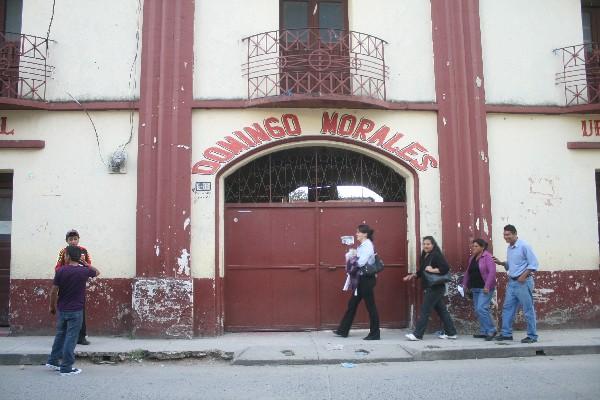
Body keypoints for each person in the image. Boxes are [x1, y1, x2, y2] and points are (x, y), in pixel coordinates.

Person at [46, 245, 100, 375]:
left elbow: (53, 291)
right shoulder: (84, 271)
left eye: (65, 255)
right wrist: (86, 264)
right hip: (76, 310)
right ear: (78, 258)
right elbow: (97, 272)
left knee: (60, 335)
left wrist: (52, 306)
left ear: (68, 256)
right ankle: (66, 367)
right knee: (71, 338)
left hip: (62, 309)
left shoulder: (61, 271)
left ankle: (53, 361)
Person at [403, 236, 457, 341]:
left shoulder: (436, 255)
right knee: (442, 311)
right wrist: (413, 275)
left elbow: (445, 268)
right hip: (431, 286)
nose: (425, 246)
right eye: (424, 244)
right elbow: (423, 270)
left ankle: (417, 335)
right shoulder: (425, 255)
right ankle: (451, 333)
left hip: (436, 287)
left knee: (425, 310)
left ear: (433, 245)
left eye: (428, 244)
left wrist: (432, 270)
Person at [492, 224, 539, 343]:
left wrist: (523, 276)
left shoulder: (524, 246)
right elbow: (513, 265)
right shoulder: (510, 247)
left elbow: (533, 264)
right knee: (507, 308)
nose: (505, 237)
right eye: (504, 235)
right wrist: (502, 263)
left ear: (515, 234)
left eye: (508, 234)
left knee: (528, 309)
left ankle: (532, 336)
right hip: (512, 282)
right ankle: (506, 334)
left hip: (523, 282)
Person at [334, 224, 380, 340]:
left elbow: (361, 263)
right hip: (361, 279)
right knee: (352, 304)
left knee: (371, 306)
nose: (357, 234)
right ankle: (343, 330)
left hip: (366, 280)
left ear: (365, 234)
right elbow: (359, 259)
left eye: (358, 232)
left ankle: (375, 333)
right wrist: (354, 254)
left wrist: (352, 257)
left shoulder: (367, 245)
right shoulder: (363, 245)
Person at [55, 229, 93, 345]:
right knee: (65, 310)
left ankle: (81, 337)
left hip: (79, 284)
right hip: (66, 285)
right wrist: (64, 274)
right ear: (67, 241)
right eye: (70, 239)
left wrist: (82, 271)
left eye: (75, 239)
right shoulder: (63, 252)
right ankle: (66, 336)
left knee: (81, 310)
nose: (73, 241)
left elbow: (89, 265)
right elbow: (58, 267)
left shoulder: (84, 251)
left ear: (78, 239)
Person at [462, 239, 497, 340]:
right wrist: (465, 284)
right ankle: (484, 331)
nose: (473, 248)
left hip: (485, 288)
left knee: (482, 308)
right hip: (475, 287)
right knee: (478, 310)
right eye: (473, 246)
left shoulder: (488, 257)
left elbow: (492, 272)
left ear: (482, 247)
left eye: (476, 246)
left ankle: (491, 330)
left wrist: (487, 286)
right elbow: (468, 272)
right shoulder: (472, 258)